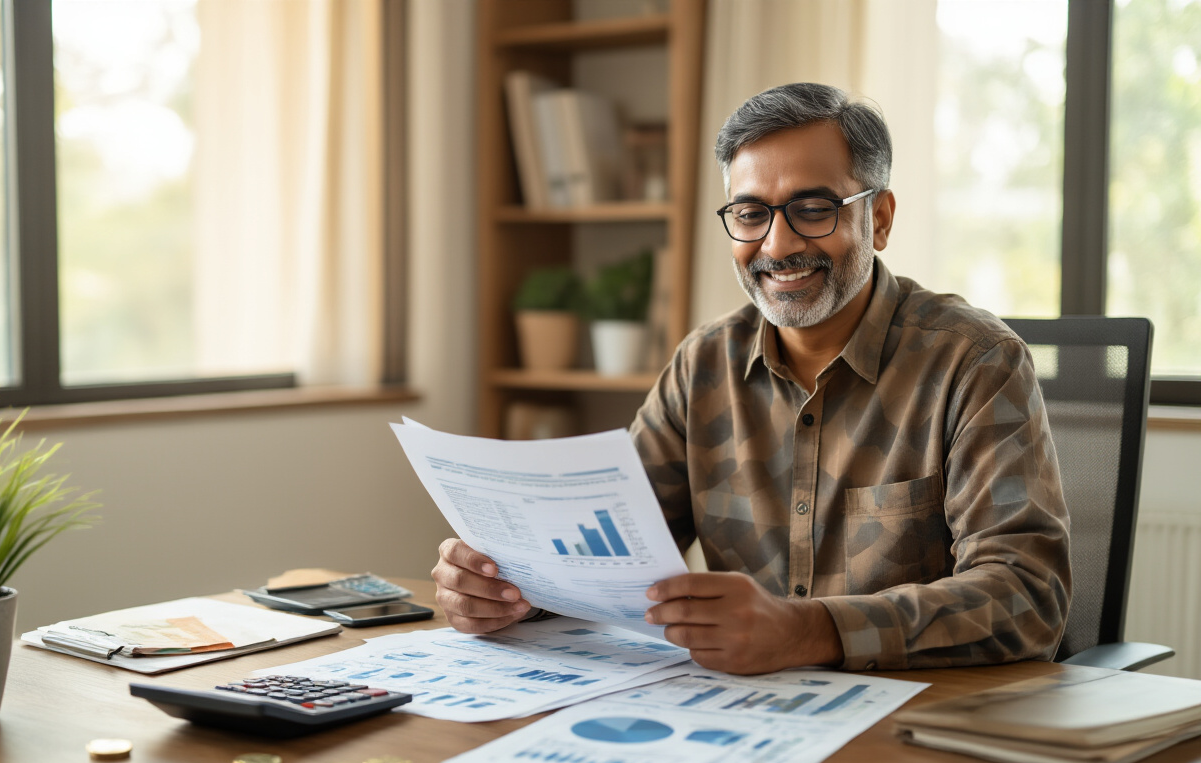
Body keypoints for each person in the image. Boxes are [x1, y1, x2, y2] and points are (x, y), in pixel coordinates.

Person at [433, 82, 1071, 675]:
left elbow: (1028, 595)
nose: (775, 244)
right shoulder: (703, 364)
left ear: (878, 218)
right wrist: (511, 592)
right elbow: (605, 557)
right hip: (738, 717)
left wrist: (808, 631)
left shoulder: (975, 362)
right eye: (749, 213)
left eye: (813, 208)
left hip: (913, 727)